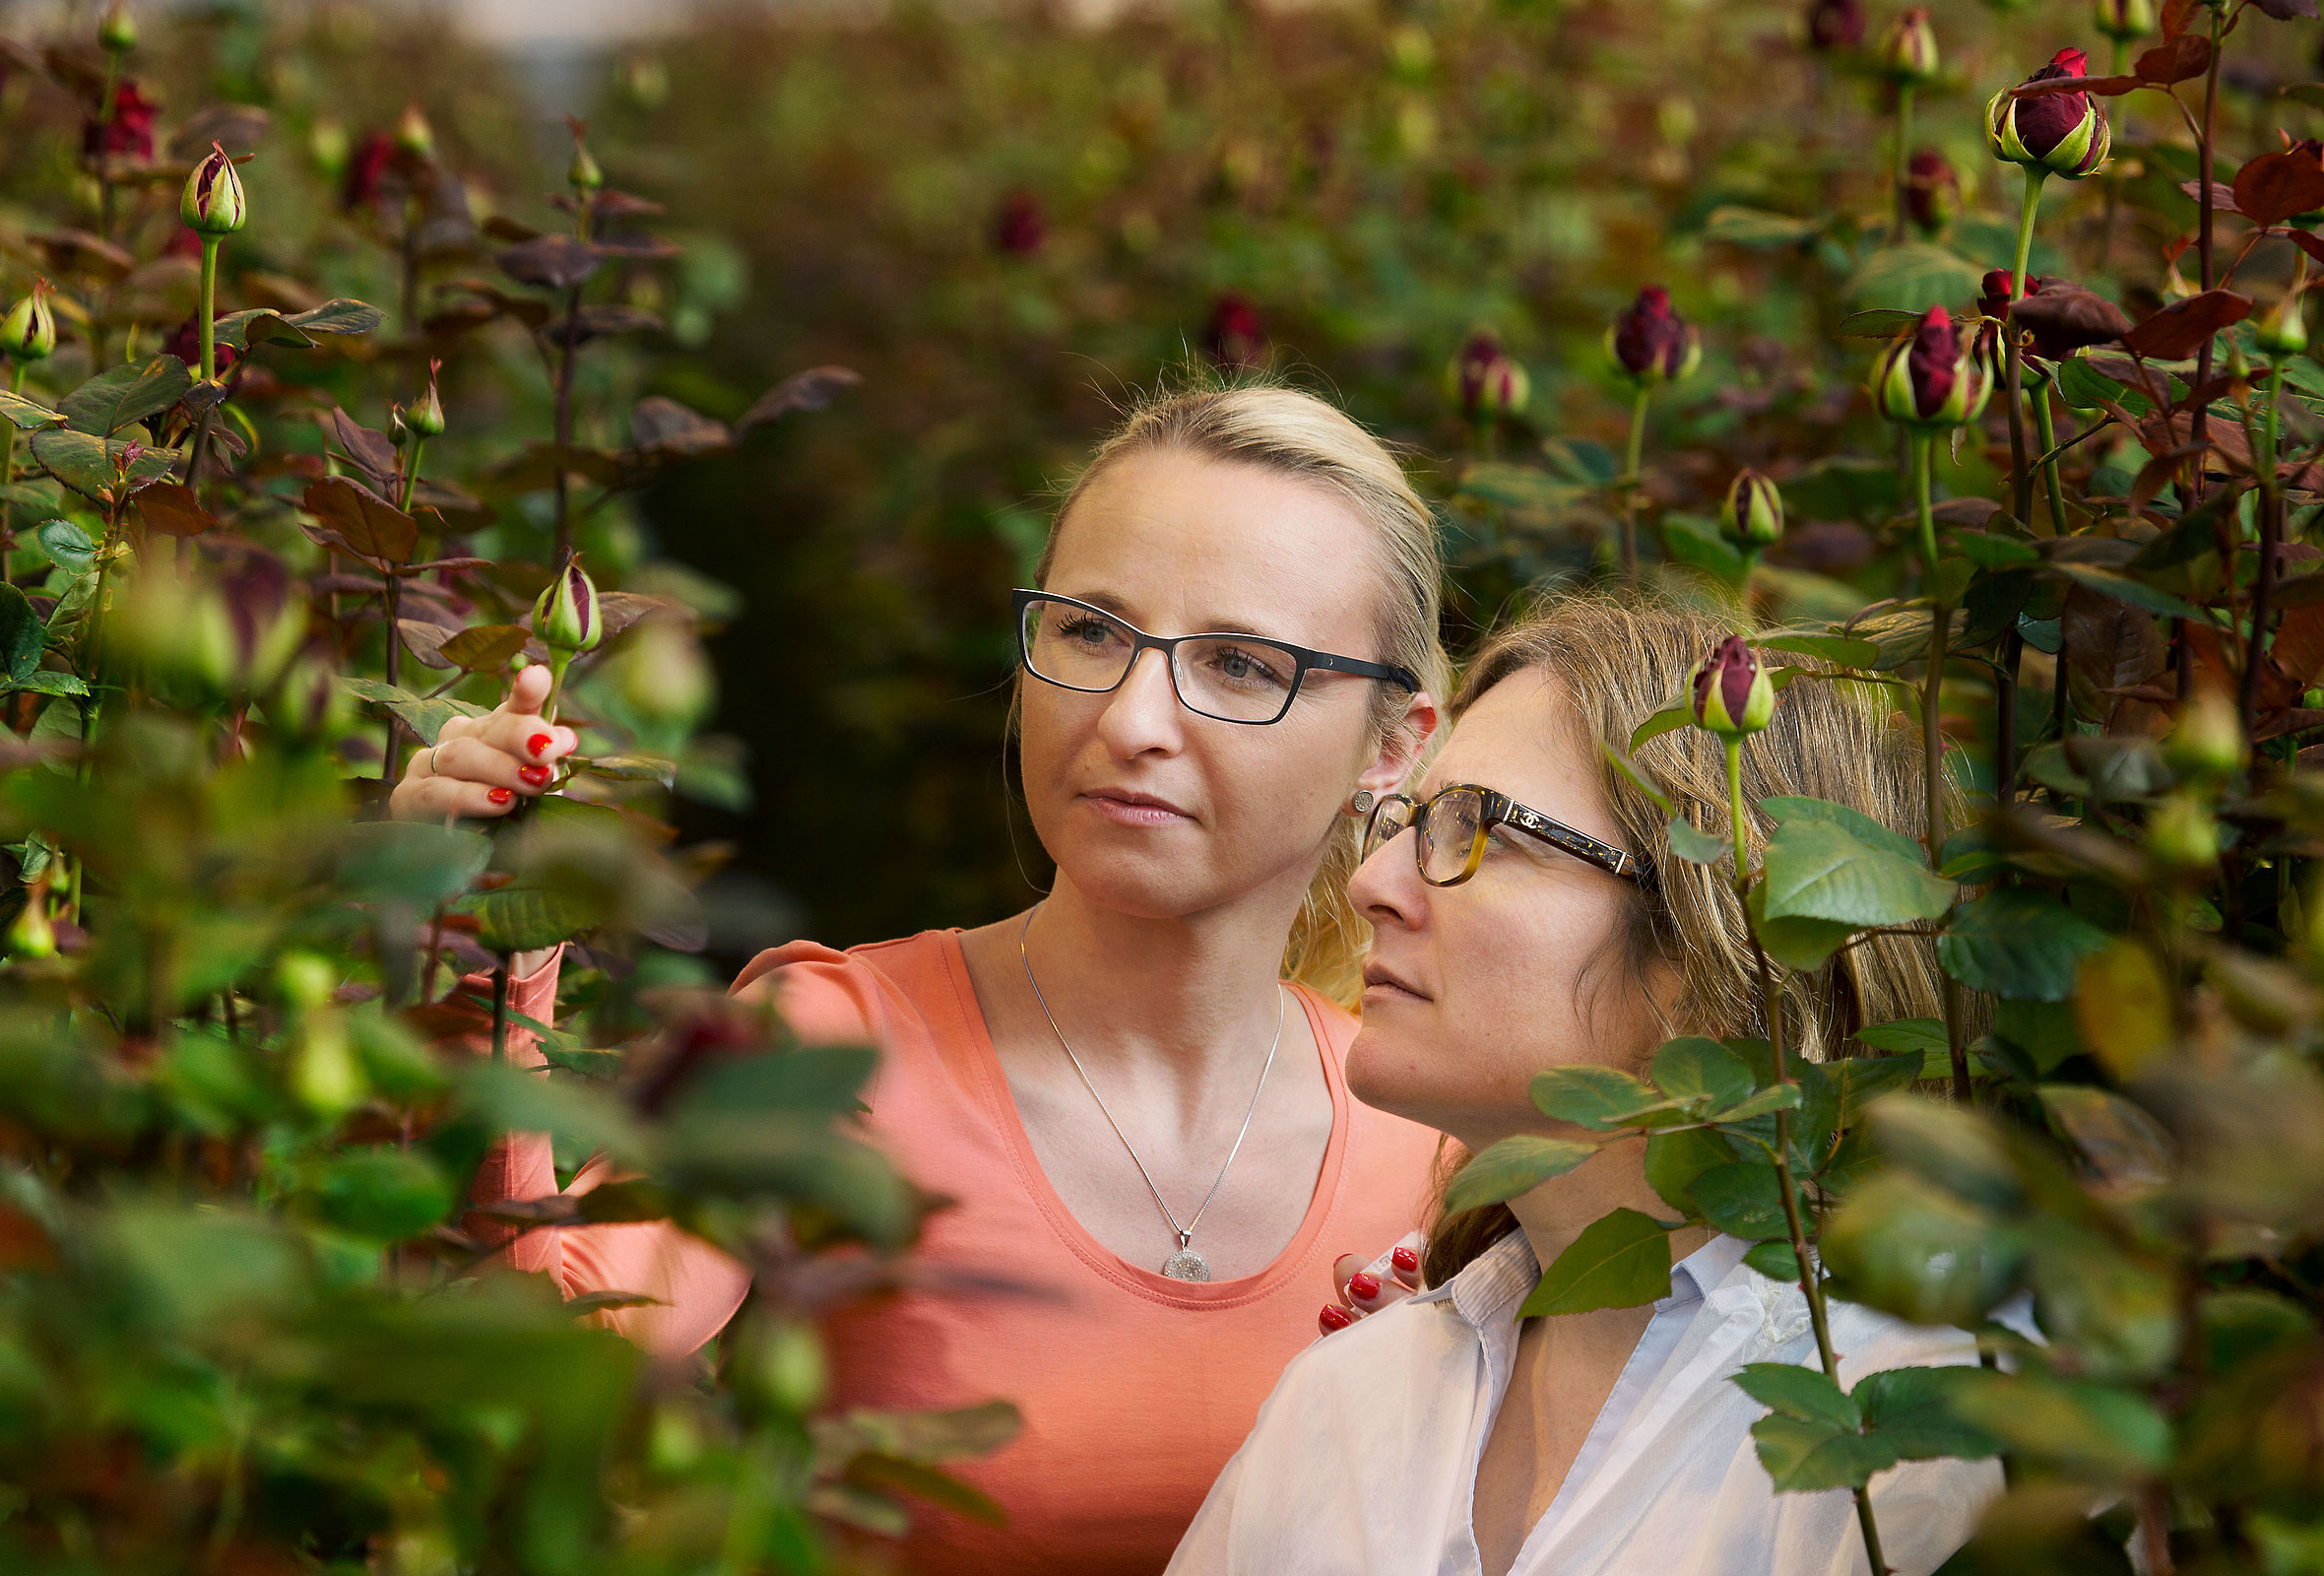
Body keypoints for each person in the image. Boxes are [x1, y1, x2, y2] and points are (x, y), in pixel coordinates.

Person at [394, 383, 1453, 1573]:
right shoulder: (823, 1049)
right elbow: (531, 1371)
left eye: (1240, 662)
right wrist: (485, 953)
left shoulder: (1435, 1146)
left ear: (1392, 748)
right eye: (1090, 632)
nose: (1132, 718)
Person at [1169, 595, 1997, 1576]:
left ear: (1718, 938)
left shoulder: (1923, 1436)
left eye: (1476, 828)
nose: (1370, 884)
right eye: (1402, 823)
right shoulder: (1347, 1403)